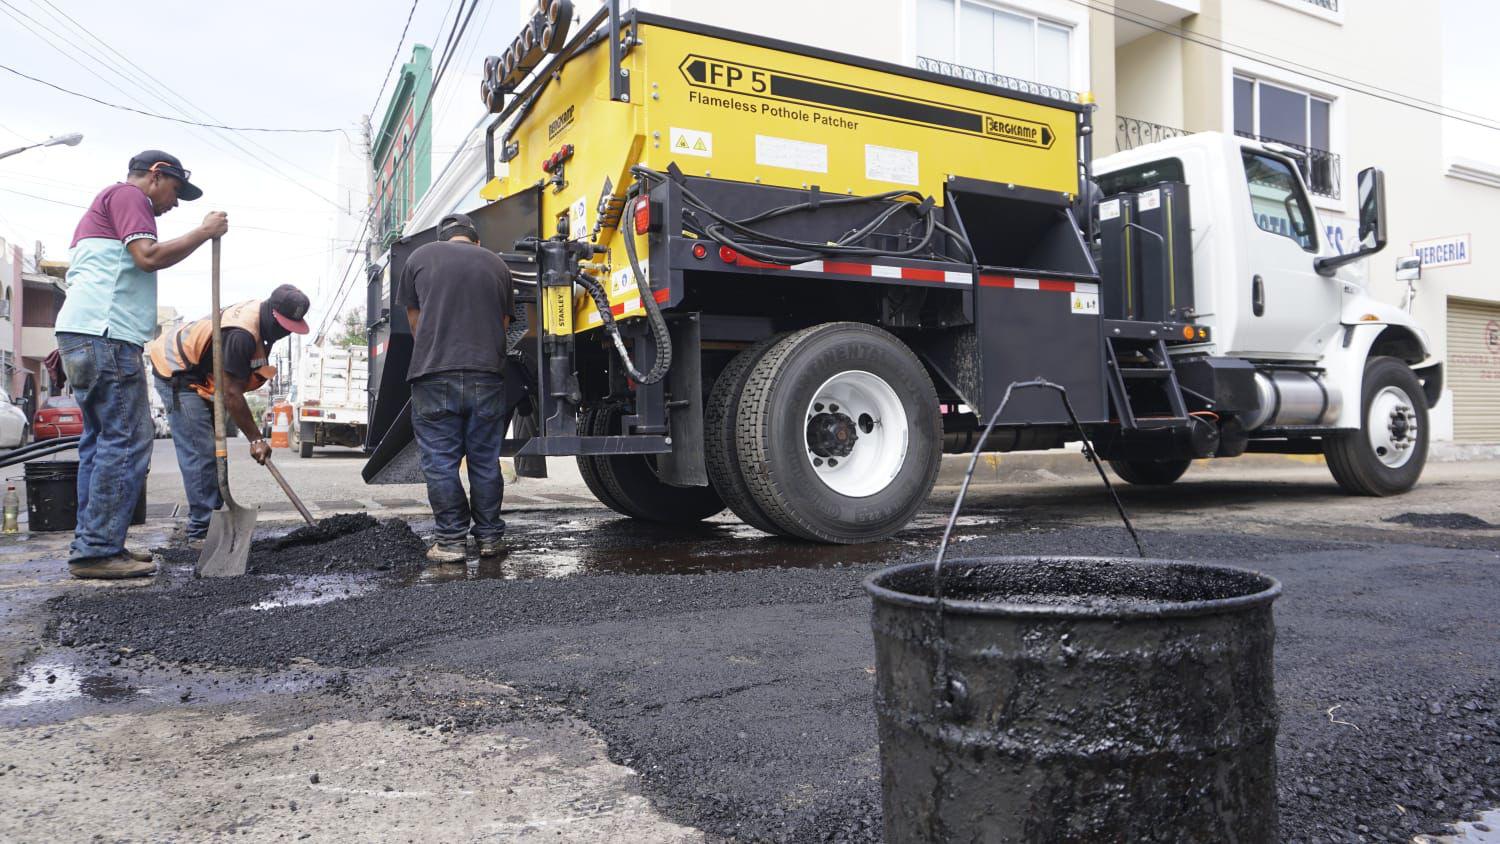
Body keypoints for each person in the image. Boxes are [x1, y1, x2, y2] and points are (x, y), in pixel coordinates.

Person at [54, 150, 227, 579]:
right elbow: (148, 256)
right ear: (155, 176)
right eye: (174, 191)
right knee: (128, 439)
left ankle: (93, 543)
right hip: (106, 336)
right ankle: (97, 550)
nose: (174, 204)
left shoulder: (105, 205)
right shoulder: (128, 196)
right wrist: (204, 232)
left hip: (83, 335)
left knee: (100, 443)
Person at [146, 285, 311, 546]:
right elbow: (232, 394)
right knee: (200, 451)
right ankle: (202, 531)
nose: (286, 332)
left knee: (211, 451)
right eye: (284, 325)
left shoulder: (259, 322)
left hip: (202, 376)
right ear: (272, 313)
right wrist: (256, 439)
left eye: (293, 326)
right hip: (177, 372)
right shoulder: (241, 334)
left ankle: (214, 514)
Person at [397, 212, 514, 563]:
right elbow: (504, 321)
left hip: (434, 374)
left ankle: (450, 543)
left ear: (442, 237)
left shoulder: (419, 257)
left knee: (441, 463)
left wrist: (437, 347)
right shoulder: (497, 265)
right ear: (475, 240)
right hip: (486, 374)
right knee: (484, 461)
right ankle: (490, 539)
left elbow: (414, 320)